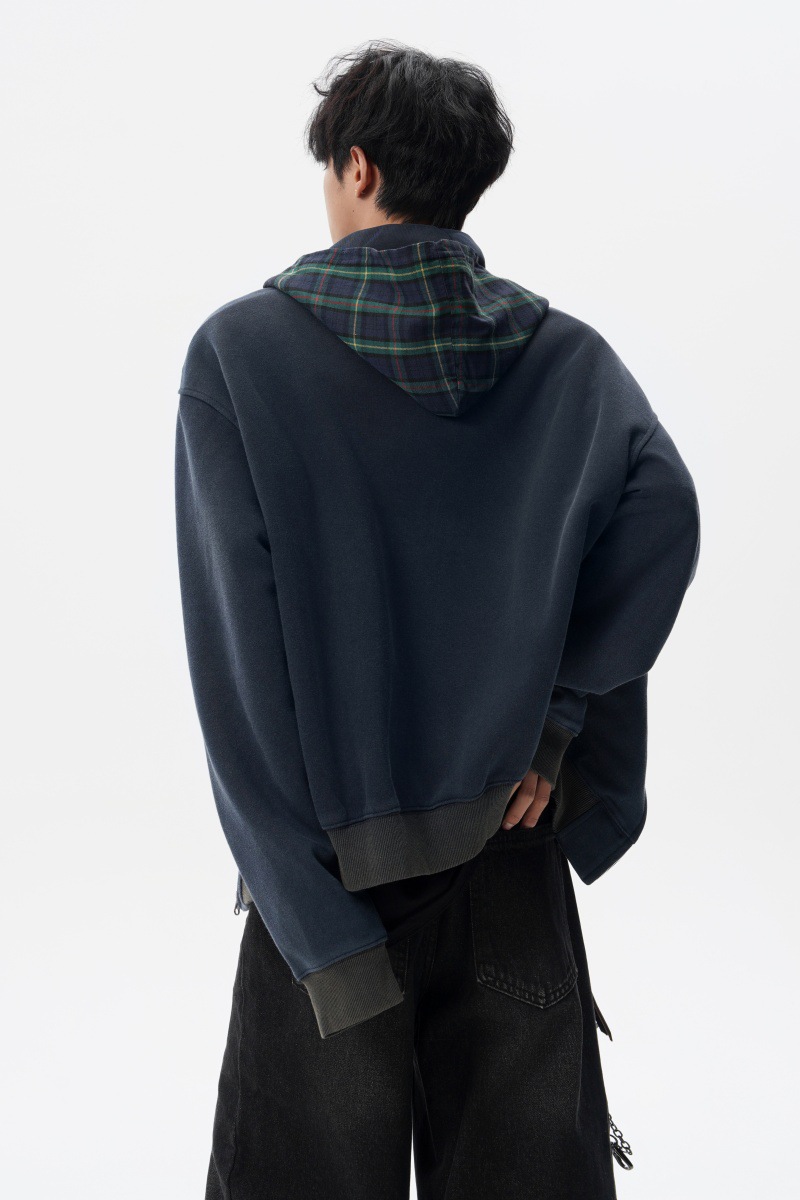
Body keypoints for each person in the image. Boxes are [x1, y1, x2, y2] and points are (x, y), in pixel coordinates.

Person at [174, 38, 700, 1200]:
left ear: (357, 167)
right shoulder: (568, 360)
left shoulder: (240, 357)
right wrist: (556, 726)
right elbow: (662, 515)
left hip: (330, 879)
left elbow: (239, 674)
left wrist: (307, 912)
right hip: (509, 855)